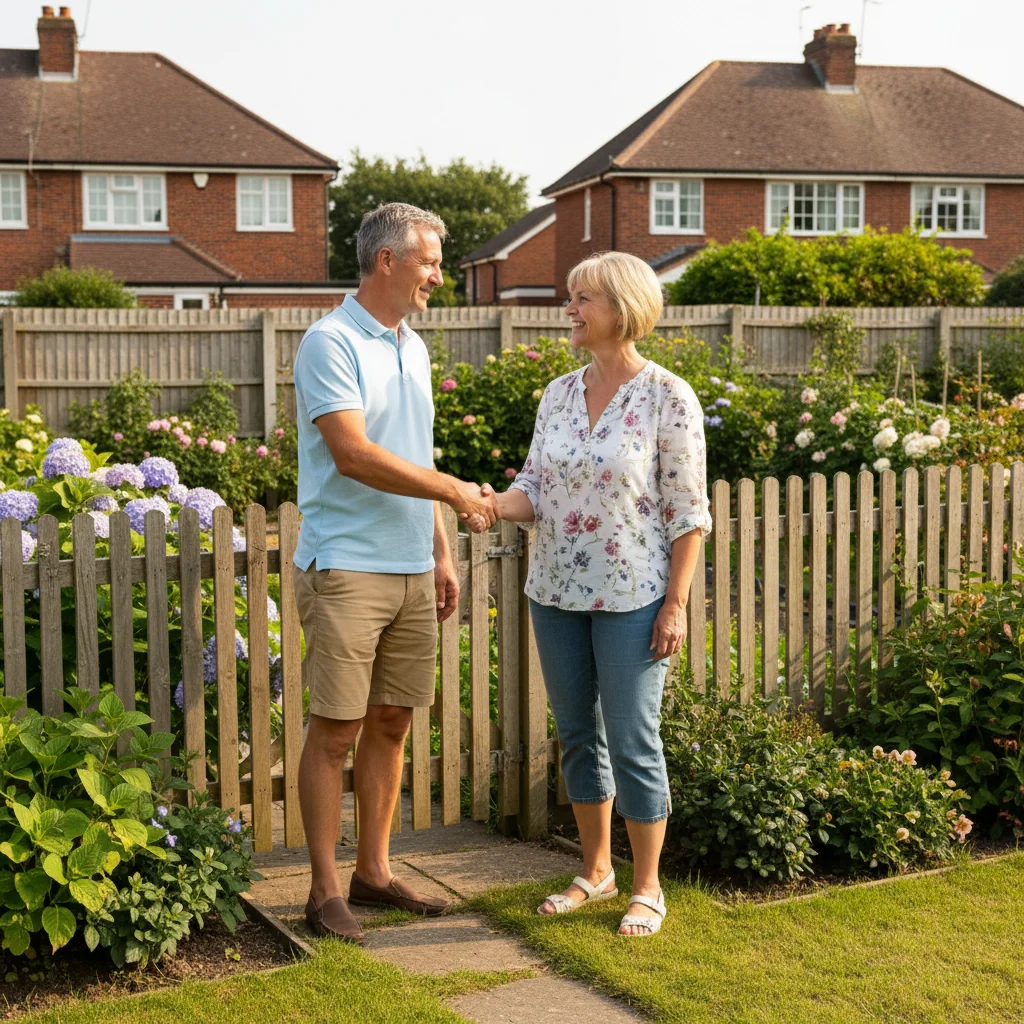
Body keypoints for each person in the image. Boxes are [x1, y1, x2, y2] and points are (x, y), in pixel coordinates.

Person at [292, 202, 498, 944]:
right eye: (430, 262)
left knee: (391, 721)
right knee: (337, 730)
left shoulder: (412, 346)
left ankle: (373, 873)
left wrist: (439, 551)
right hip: (347, 565)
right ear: (387, 261)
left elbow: (409, 447)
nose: (438, 276)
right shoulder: (331, 342)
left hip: (412, 564)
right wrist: (451, 489)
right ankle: (321, 892)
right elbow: (353, 453)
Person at [490, 251, 711, 937]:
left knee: (634, 738)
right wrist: (488, 504)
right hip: (553, 591)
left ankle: (647, 887)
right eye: (571, 296)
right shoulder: (556, 393)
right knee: (579, 735)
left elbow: (688, 511)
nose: (570, 310)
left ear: (622, 306)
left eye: (582, 298)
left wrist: (674, 603)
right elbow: (534, 486)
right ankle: (596, 871)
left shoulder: (667, 395)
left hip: (634, 598)